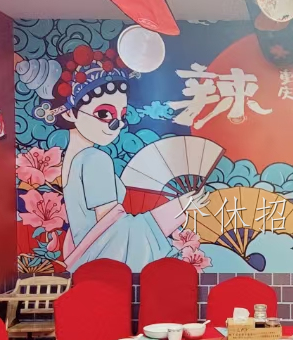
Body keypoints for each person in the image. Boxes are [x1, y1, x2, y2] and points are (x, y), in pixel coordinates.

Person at [54, 53, 195, 271]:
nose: (116, 125)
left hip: (85, 258)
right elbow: (113, 231)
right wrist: (176, 208)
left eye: (121, 116)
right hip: (102, 259)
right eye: (104, 113)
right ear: (71, 113)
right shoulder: (95, 159)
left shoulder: (71, 161)